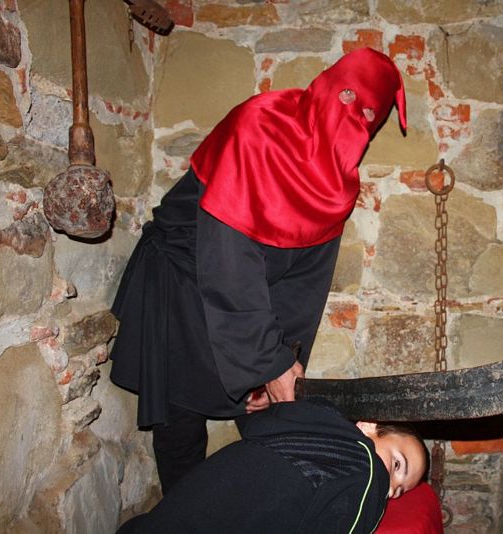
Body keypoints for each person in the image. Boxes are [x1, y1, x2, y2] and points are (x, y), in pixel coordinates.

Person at [109, 48, 407, 493]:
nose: (353, 115)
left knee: (274, 426)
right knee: (181, 427)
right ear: (324, 86)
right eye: (346, 96)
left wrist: (285, 362)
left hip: (241, 299)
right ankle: (182, 518)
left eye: (367, 113)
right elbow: (229, 259)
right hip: (182, 281)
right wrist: (268, 364)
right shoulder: (258, 126)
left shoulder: (338, 187)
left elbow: (303, 289)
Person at [116, 398, 428, 533]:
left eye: (399, 491)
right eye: (396, 464)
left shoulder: (301, 429)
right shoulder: (364, 468)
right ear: (368, 426)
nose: (389, 488)